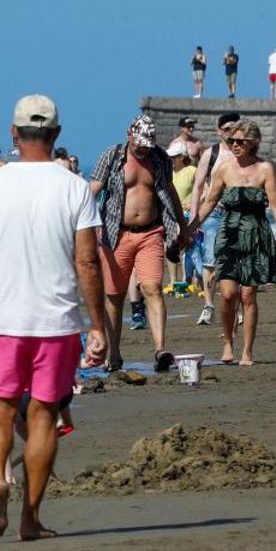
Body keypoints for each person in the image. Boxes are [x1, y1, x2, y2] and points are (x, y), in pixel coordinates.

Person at [0, 94, 106, 541]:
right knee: (44, 416)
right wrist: (98, 324)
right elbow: (87, 262)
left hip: (3, 317)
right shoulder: (73, 186)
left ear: (13, 134)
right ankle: (29, 519)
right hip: (56, 321)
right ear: (57, 135)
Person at [90, 115, 188, 371]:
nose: (144, 148)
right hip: (116, 233)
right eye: (140, 143)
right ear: (129, 134)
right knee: (114, 296)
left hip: (151, 232)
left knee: (153, 287)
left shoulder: (159, 158)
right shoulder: (111, 157)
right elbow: (94, 189)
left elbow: (169, 191)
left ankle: (160, 349)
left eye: (148, 144)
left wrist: (183, 227)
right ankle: (115, 355)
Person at [188, 121, 276, 365]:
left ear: (253, 143)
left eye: (240, 141)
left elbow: (275, 204)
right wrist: (190, 229)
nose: (235, 145)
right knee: (228, 293)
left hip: (256, 233)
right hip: (229, 233)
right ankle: (228, 342)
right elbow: (210, 201)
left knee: (248, 295)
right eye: (232, 141)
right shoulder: (223, 168)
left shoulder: (265, 169)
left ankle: (247, 351)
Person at [190, 112, 242, 325]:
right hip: (212, 214)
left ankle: (237, 308)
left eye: (235, 128)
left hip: (236, 214)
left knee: (236, 262)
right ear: (219, 131)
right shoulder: (211, 154)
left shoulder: (242, 152)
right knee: (210, 262)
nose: (231, 133)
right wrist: (194, 218)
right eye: (227, 129)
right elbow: (198, 186)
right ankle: (208, 305)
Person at [167, 143, 198, 284]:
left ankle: (189, 280)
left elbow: (202, 190)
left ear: (182, 157)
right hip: (171, 215)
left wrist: (193, 204)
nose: (171, 160)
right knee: (170, 246)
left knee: (190, 247)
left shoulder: (192, 170)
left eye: (174, 157)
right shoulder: (169, 173)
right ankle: (173, 281)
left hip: (187, 214)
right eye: (170, 157)